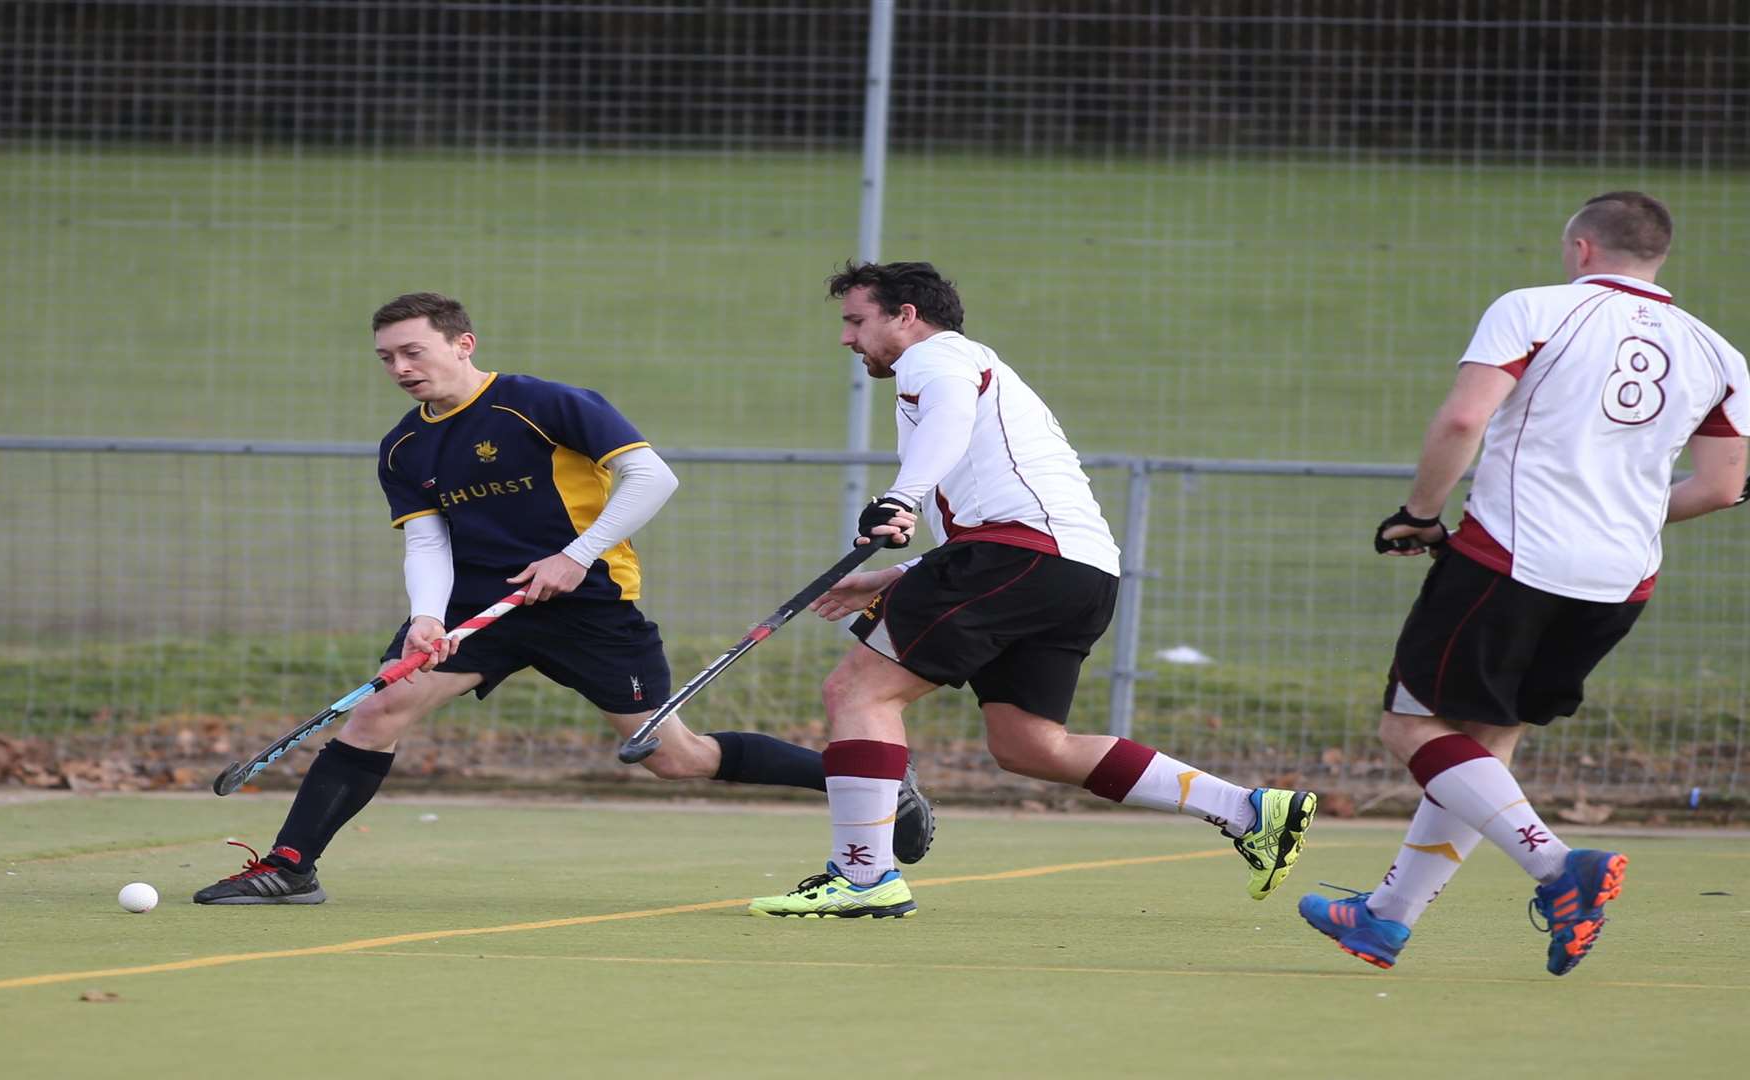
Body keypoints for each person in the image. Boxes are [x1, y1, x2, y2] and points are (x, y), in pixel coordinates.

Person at [195, 292, 933, 904]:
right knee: (378, 709)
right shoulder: (403, 447)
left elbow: (653, 478)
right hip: (479, 608)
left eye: (413, 351)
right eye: (387, 357)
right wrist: (427, 616)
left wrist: (575, 558)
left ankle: (875, 783)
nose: (400, 367)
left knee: (676, 758)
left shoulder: (541, 404)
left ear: (463, 344)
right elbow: (428, 543)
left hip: (590, 605)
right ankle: (291, 866)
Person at [748, 261, 1317, 919]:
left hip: (1017, 557)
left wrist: (899, 498)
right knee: (1028, 745)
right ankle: (1248, 810)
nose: (847, 340)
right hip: (1078, 572)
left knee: (857, 691)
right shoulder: (978, 371)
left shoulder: (933, 361)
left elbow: (957, 436)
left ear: (905, 316)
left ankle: (864, 875)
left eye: (856, 321)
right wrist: (897, 574)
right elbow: (1005, 504)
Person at [1299, 192, 1749, 975]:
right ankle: (1386, 919)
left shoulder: (1533, 308)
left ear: (1581, 248)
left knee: (1411, 728)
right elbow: (1720, 486)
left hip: (1510, 559)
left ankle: (1559, 867)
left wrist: (1420, 514)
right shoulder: (1718, 352)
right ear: (1659, 257)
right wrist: (1633, 515)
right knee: (1487, 746)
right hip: (1620, 581)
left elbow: (1464, 420)